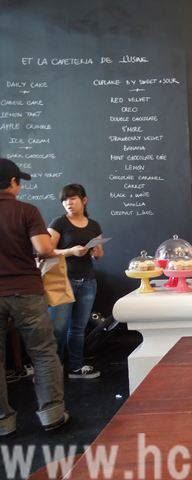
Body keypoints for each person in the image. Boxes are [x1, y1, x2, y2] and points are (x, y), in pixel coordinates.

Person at [0, 158, 68, 436]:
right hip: (26, 290)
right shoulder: (26, 211)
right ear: (13, 182)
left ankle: (3, 422)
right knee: (42, 353)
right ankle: (52, 415)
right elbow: (43, 248)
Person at [48, 184, 104, 380]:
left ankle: (75, 367)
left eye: (72, 198)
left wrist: (96, 252)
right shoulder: (58, 223)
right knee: (58, 328)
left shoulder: (94, 225)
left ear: (84, 200)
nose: (68, 203)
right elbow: (46, 251)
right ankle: (51, 370)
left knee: (78, 328)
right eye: (65, 200)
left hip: (88, 280)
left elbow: (99, 256)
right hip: (62, 280)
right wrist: (71, 251)